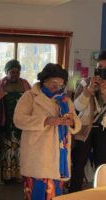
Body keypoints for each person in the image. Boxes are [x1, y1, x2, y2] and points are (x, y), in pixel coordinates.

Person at [13, 63, 81, 199]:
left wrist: (72, 122)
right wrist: (45, 121)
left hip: (58, 158)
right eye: (53, 82)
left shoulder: (65, 100)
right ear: (44, 80)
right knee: (35, 194)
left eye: (61, 84)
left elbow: (77, 122)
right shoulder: (30, 96)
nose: (57, 86)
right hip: (37, 157)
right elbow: (18, 119)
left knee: (55, 194)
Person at [69, 50, 106, 192]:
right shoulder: (85, 82)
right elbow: (76, 106)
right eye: (99, 67)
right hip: (84, 128)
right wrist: (88, 90)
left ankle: (101, 193)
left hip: (103, 129)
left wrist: (103, 92)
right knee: (79, 163)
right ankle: (74, 192)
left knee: (102, 164)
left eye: (104, 68)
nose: (101, 71)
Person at [0, 59, 31, 182]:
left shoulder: (25, 84)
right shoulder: (0, 85)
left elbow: (32, 101)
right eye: (12, 72)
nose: (15, 74)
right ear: (6, 72)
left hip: (21, 123)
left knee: (21, 148)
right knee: (7, 148)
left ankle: (19, 176)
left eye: (17, 72)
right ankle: (7, 176)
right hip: (7, 122)